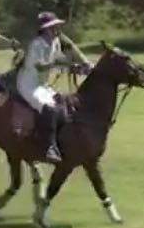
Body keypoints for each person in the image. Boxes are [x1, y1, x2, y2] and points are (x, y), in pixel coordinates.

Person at [16, 12, 89, 163]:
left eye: (57, 26)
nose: (57, 29)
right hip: (29, 85)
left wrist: (76, 67)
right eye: (54, 27)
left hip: (42, 85)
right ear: (45, 29)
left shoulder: (55, 42)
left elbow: (60, 59)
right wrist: (60, 63)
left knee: (62, 105)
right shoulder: (36, 44)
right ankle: (49, 147)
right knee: (49, 108)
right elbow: (41, 66)